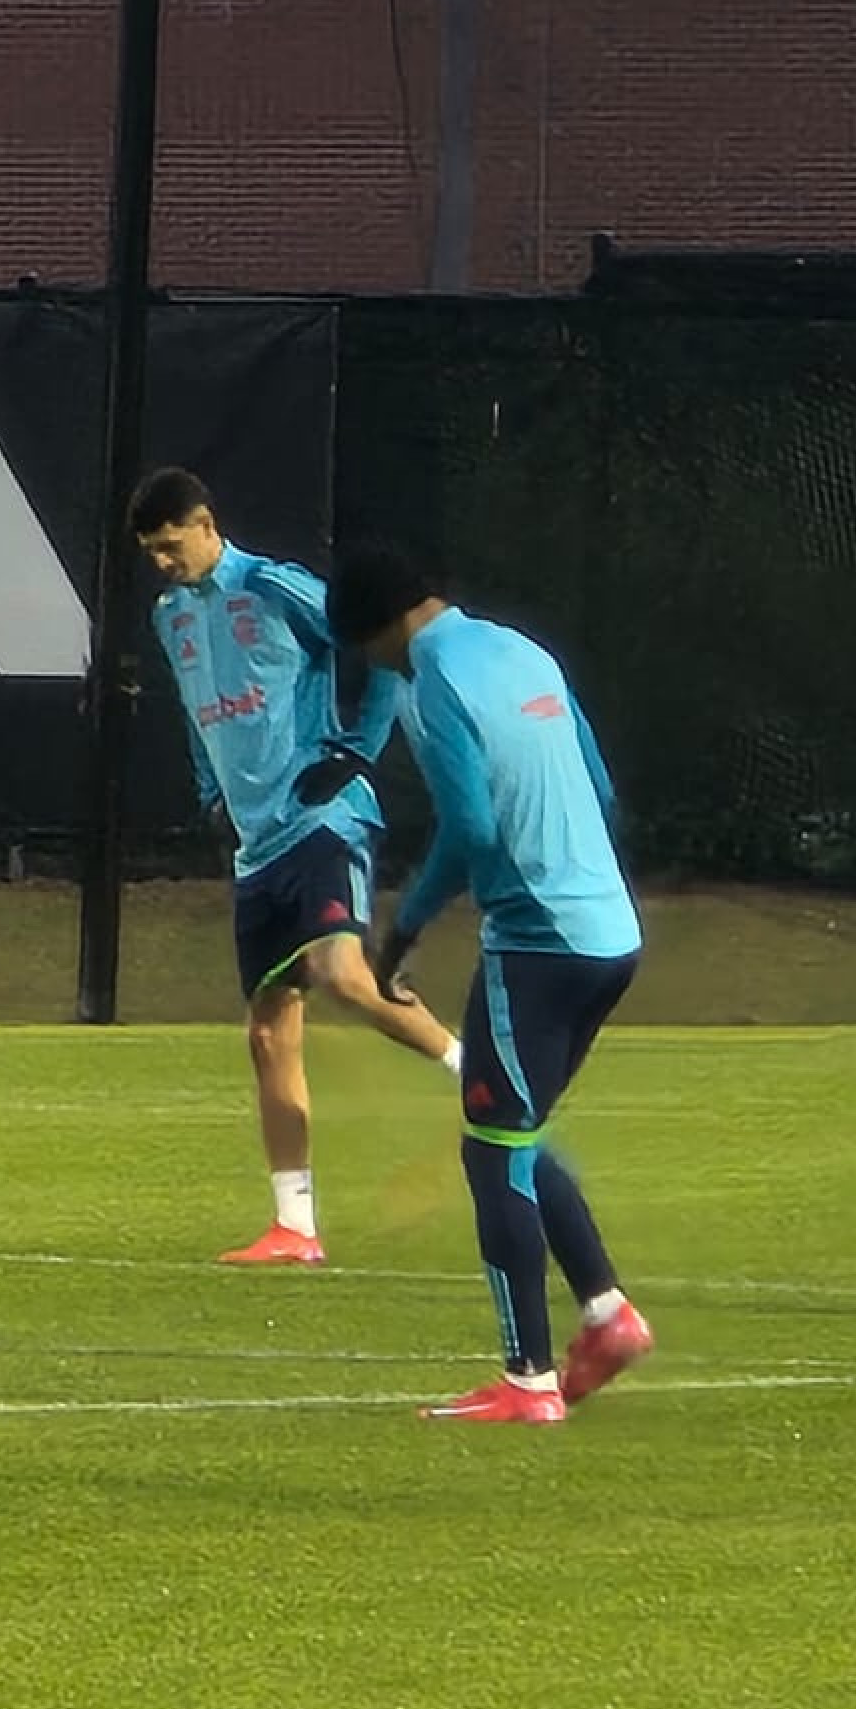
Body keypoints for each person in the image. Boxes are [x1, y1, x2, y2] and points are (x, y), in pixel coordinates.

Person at [330, 538, 651, 1425]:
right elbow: (599, 786)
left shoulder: (433, 680)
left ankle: (528, 1380)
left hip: (537, 942)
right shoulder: (521, 650)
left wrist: (400, 931)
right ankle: (607, 1316)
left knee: (492, 1149)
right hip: (611, 934)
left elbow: (470, 830)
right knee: (517, 1132)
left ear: (377, 628)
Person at [131, 468, 462, 1266]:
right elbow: (195, 711)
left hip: (322, 818)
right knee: (269, 1031)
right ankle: (295, 1227)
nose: (165, 564)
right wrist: (210, 792)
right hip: (257, 844)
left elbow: (378, 650)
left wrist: (357, 752)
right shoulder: (170, 616)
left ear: (207, 525)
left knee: (341, 974)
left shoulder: (274, 588)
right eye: (152, 554)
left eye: (172, 546)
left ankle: (475, 1073)